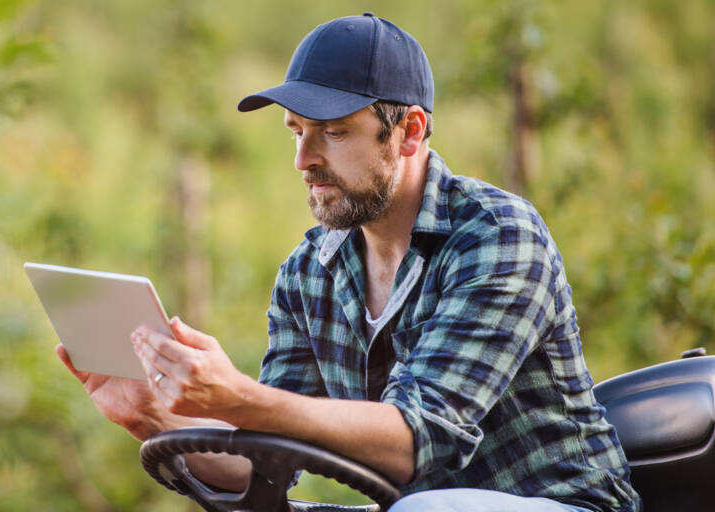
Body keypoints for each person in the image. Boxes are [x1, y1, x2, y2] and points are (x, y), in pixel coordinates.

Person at [56, 12, 641, 512]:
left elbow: (418, 440)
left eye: (333, 132)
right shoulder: (309, 272)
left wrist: (236, 396)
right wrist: (158, 418)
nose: (303, 159)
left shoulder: (498, 238)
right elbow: (266, 467)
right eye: (296, 132)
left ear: (409, 132)